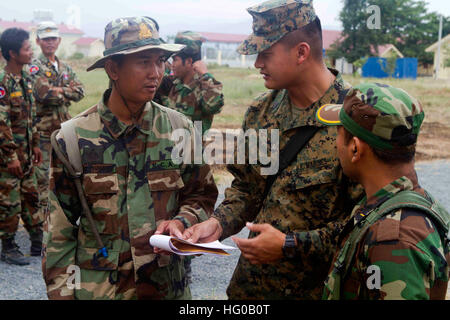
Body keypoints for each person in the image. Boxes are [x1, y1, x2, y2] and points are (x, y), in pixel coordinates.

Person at [183, 0, 363, 299]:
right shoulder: (260, 113)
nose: (256, 63)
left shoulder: (356, 118)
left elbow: (364, 226)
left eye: (265, 54)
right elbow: (246, 190)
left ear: (301, 52)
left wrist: (289, 244)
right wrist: (217, 224)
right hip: (251, 292)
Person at [42, 16, 218, 300]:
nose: (156, 72)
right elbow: (59, 233)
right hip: (101, 292)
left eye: (160, 61)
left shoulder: (179, 129)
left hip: (166, 289)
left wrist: (182, 221)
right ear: (113, 68)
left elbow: (201, 195)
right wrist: (63, 295)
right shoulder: (73, 138)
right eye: (143, 62)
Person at [317, 83, 450, 300]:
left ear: (355, 148)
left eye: (338, 134)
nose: (336, 144)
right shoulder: (414, 202)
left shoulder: (392, 238)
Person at [31, 21, 84, 217]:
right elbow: (44, 94)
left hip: (64, 131)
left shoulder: (65, 67)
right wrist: (66, 90)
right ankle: (44, 221)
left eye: (53, 38)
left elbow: (80, 92)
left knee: (67, 174)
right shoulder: (34, 67)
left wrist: (58, 90)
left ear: (59, 40)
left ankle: (64, 216)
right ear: (38, 41)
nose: (50, 43)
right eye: (45, 39)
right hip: (43, 133)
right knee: (44, 178)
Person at [0, 28, 43, 265]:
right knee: (9, 201)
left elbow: (30, 117)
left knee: (31, 196)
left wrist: (35, 145)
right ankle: (8, 246)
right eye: (27, 48)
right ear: (13, 53)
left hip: (26, 153)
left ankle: (38, 240)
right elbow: (1, 123)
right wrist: (11, 157)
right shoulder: (2, 83)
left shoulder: (26, 79)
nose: (31, 51)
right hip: (9, 158)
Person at [154, 31, 224, 135]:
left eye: (175, 60)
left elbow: (212, 106)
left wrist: (205, 75)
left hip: (192, 148)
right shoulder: (171, 83)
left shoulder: (204, 87)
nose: (172, 65)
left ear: (189, 62)